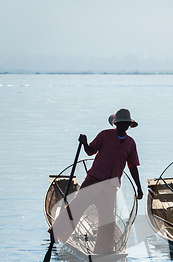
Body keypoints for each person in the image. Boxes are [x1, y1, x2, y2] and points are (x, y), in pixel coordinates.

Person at [49, 108, 143, 254]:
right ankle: (56, 231)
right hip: (94, 180)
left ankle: (103, 251)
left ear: (128, 126)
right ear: (116, 124)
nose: (122, 126)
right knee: (77, 206)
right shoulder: (104, 135)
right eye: (120, 123)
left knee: (107, 221)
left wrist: (139, 187)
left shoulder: (130, 143)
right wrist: (85, 143)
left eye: (125, 124)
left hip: (110, 187)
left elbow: (133, 166)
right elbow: (90, 151)